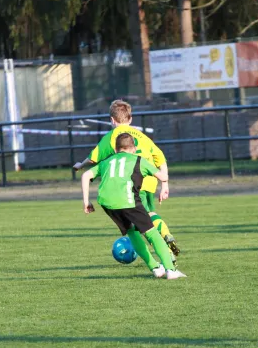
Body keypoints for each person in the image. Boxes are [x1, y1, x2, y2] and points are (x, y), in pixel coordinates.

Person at [73, 100, 181, 262]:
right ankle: (166, 237)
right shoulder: (142, 137)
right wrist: (164, 185)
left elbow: (93, 158)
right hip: (150, 180)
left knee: (141, 226)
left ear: (112, 120)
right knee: (149, 214)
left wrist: (80, 165)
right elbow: (160, 158)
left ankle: (166, 252)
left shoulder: (112, 137)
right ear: (130, 119)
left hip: (132, 182)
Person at [81, 133, 186, 279]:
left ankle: (155, 268)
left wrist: (86, 201)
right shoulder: (138, 160)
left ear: (116, 149)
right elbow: (163, 177)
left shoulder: (107, 161)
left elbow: (86, 175)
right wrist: (159, 171)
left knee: (132, 232)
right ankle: (170, 270)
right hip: (129, 201)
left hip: (107, 203)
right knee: (152, 233)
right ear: (134, 148)